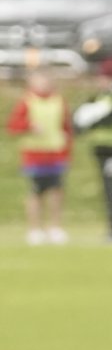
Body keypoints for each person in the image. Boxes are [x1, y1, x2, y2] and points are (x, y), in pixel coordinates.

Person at [73, 56, 112, 241]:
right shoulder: (99, 98)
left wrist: (91, 124)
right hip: (101, 148)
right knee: (107, 188)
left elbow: (111, 119)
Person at [6, 65, 72, 245]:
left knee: (56, 191)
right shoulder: (27, 101)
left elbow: (66, 128)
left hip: (56, 153)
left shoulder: (59, 101)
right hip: (34, 154)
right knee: (36, 192)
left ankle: (55, 227)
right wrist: (29, 126)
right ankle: (35, 229)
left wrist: (68, 151)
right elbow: (12, 126)